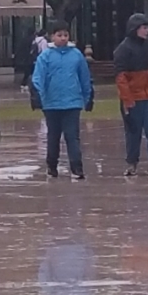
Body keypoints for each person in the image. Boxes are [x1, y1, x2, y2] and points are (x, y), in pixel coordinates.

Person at [31, 21, 93, 180]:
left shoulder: (77, 55)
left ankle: (77, 168)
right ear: (52, 37)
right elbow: (38, 76)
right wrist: (37, 95)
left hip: (72, 103)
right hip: (51, 104)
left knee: (72, 136)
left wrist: (88, 96)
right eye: (59, 35)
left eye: (66, 35)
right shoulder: (45, 56)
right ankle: (52, 166)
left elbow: (84, 77)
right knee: (53, 136)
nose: (63, 38)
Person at [114, 13, 148, 176]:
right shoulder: (123, 49)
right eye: (144, 28)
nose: (147, 31)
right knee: (132, 132)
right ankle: (132, 163)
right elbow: (121, 78)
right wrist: (127, 99)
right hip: (133, 98)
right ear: (134, 29)